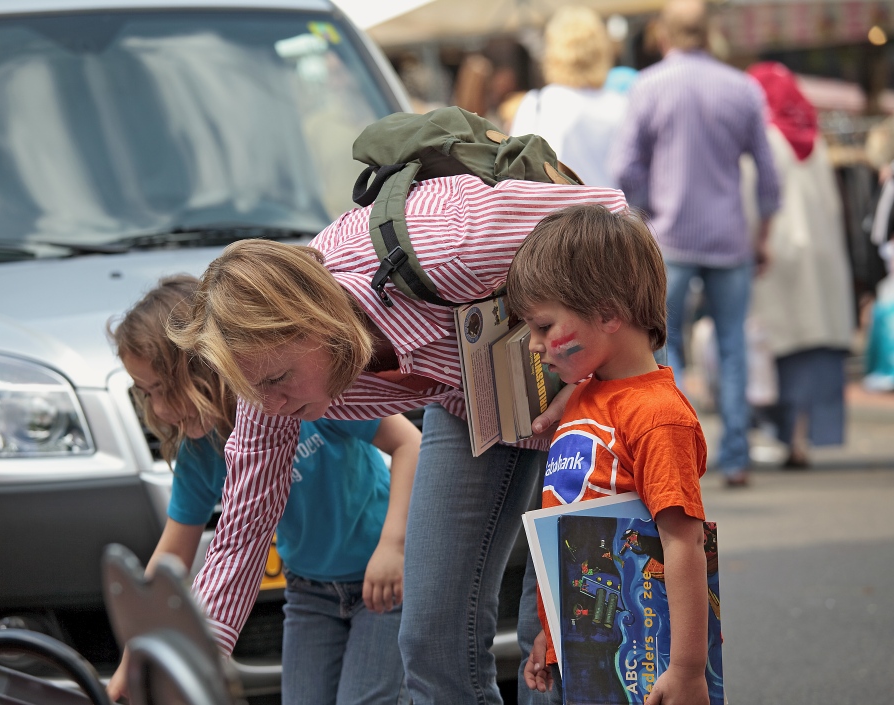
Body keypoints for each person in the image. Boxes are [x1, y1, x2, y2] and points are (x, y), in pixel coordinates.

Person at [167, 175, 628, 704]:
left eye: (277, 381)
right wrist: (185, 665)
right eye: (253, 389)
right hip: (472, 397)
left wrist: (591, 380)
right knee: (431, 641)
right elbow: (241, 533)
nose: (271, 407)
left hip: (591, 372)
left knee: (559, 634)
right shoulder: (266, 390)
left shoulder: (452, 246)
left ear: (316, 324)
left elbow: (609, 216)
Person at [106, 275, 421, 705]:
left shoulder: (298, 397)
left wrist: (393, 548)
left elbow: (410, 444)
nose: (159, 409)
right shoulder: (200, 453)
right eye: (147, 394)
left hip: (381, 585)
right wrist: (134, 654)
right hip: (309, 592)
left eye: (164, 388)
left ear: (205, 362)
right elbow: (171, 556)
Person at [505, 204, 710, 704]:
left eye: (544, 326)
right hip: (580, 652)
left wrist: (686, 671)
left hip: (639, 664)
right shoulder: (584, 396)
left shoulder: (657, 416)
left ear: (609, 314)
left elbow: (684, 545)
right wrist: (551, 639)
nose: (533, 345)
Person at [610, 0, 781, 488]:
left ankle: (682, 451)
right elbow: (768, 176)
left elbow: (624, 167)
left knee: (666, 344)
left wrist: (649, 210)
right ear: (710, 35)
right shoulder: (742, 88)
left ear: (665, 35)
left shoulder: (649, 86)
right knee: (732, 345)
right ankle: (737, 456)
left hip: (671, 238)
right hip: (730, 237)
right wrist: (762, 232)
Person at [743, 62, 855, 468]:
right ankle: (802, 438)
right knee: (811, 352)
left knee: (777, 353)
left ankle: (782, 436)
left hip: (778, 253)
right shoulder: (816, 139)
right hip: (822, 258)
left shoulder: (764, 137)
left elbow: (754, 198)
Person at [509, 5, 627, 188]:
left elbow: (513, 173)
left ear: (553, 51)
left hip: (556, 214)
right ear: (602, 50)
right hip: (614, 212)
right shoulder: (621, 105)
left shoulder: (537, 104)